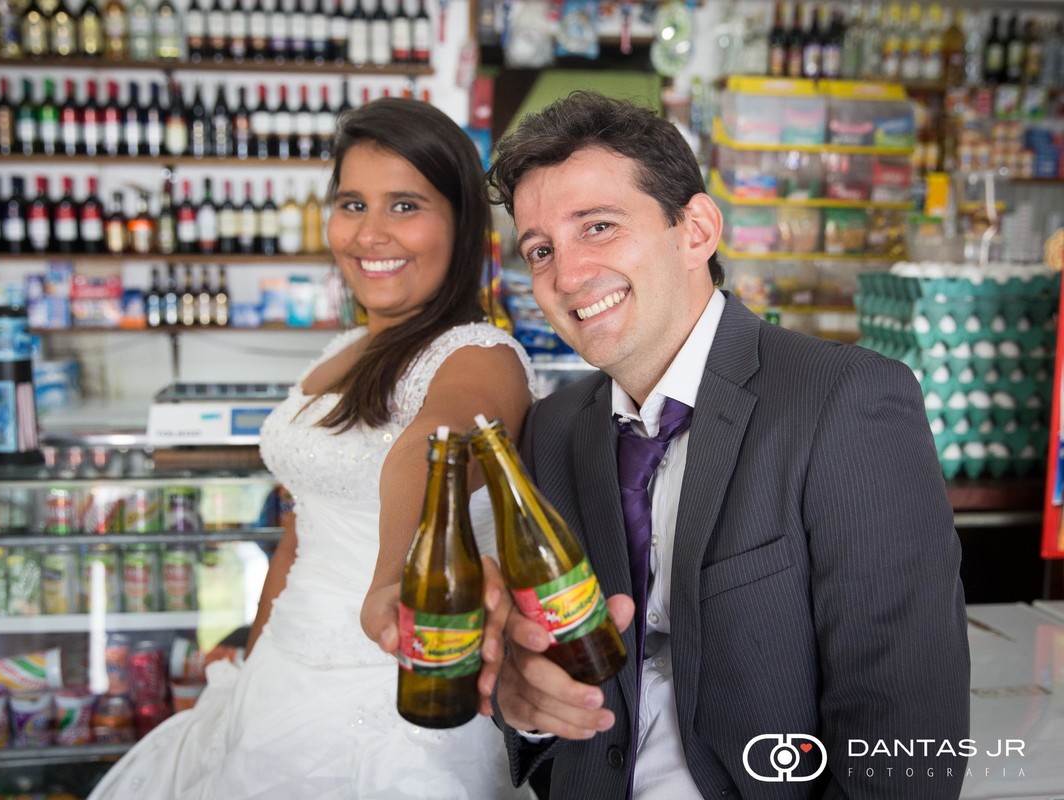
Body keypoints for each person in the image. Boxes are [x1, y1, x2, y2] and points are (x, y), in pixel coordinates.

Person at [481, 91, 970, 800]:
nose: (567, 274)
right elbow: (546, 693)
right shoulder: (554, 430)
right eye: (540, 250)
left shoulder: (845, 402)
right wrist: (524, 712)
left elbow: (906, 736)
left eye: (599, 227)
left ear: (696, 229)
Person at [89, 97, 536, 800]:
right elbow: (301, 536)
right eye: (352, 202)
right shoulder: (340, 354)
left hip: (396, 710)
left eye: (406, 206)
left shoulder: (480, 357)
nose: (370, 233)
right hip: (278, 681)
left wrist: (394, 579)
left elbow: (435, 447)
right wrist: (248, 655)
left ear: (460, 224)